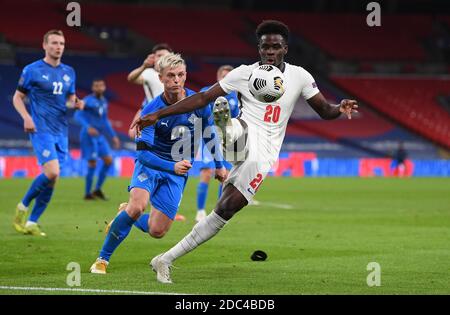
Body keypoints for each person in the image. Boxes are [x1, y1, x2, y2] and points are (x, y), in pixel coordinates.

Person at [132, 20, 358, 284]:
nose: (270, 52)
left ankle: (165, 259)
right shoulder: (244, 73)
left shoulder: (300, 76)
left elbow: (324, 110)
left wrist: (339, 107)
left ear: (285, 48)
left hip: (265, 154)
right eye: (265, 47)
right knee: (235, 129)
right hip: (245, 130)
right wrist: (157, 114)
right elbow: (202, 99)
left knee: (225, 210)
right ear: (259, 48)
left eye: (275, 47)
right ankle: (225, 127)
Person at [90, 53, 227, 274]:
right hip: (151, 166)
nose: (176, 80)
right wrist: (171, 166)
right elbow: (143, 156)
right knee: (137, 207)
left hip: (177, 173)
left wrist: (219, 164)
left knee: (157, 231)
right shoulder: (150, 112)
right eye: (171, 75)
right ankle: (102, 260)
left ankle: (125, 214)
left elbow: (210, 132)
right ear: (160, 78)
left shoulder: (199, 103)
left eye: (181, 75)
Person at [12, 30, 84, 236]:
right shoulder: (32, 70)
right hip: (40, 128)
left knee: (53, 178)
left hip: (61, 130)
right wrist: (26, 117)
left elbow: (70, 97)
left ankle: (32, 222)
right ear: (44, 45)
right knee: (52, 172)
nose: (58, 46)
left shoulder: (69, 71)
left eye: (61, 43)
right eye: (54, 43)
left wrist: (76, 103)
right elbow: (17, 97)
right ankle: (23, 206)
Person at [195, 65, 244, 222]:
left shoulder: (236, 96)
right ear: (218, 77)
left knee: (226, 177)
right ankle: (200, 211)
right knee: (206, 173)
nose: (227, 80)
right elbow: (198, 113)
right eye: (224, 76)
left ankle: (215, 212)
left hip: (228, 140)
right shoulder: (207, 91)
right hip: (210, 137)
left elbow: (237, 119)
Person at [74, 79, 121, 200]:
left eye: (101, 85)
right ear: (93, 88)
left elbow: (105, 120)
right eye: (96, 86)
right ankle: (87, 193)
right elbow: (77, 115)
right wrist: (88, 127)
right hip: (88, 136)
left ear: (104, 87)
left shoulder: (104, 102)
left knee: (109, 160)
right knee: (92, 163)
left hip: (99, 136)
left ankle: (97, 189)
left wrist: (113, 136)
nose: (99, 88)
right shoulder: (88, 101)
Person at [127, 43, 173, 139]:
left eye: (165, 55)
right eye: (159, 55)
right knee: (134, 134)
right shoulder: (149, 73)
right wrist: (144, 66)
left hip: (170, 113)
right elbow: (131, 78)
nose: (162, 58)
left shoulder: (175, 75)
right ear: (153, 58)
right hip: (154, 114)